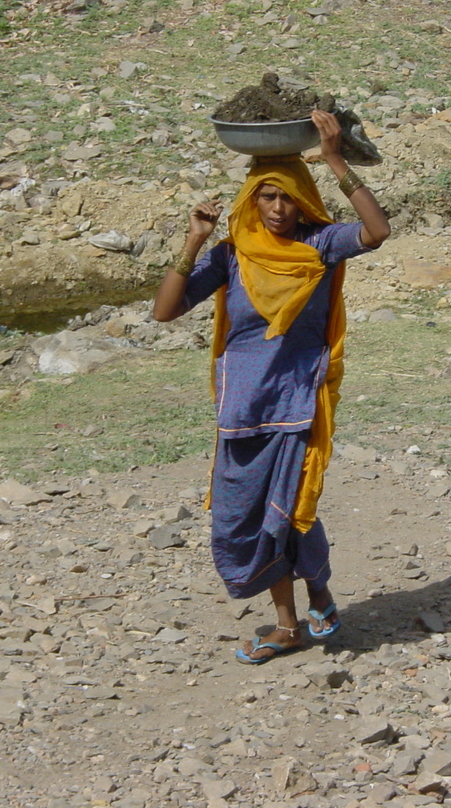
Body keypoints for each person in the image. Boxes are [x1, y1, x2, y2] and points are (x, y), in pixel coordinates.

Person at [152, 109, 390, 664]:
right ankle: (291, 618)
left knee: (288, 508)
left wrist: (334, 160)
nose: (278, 210)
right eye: (267, 198)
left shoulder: (320, 245)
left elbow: (376, 232)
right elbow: (165, 310)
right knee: (244, 516)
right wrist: (194, 240)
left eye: (286, 198)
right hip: (242, 407)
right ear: (251, 201)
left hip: (298, 402)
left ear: (301, 199)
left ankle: (308, 605)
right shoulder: (233, 254)